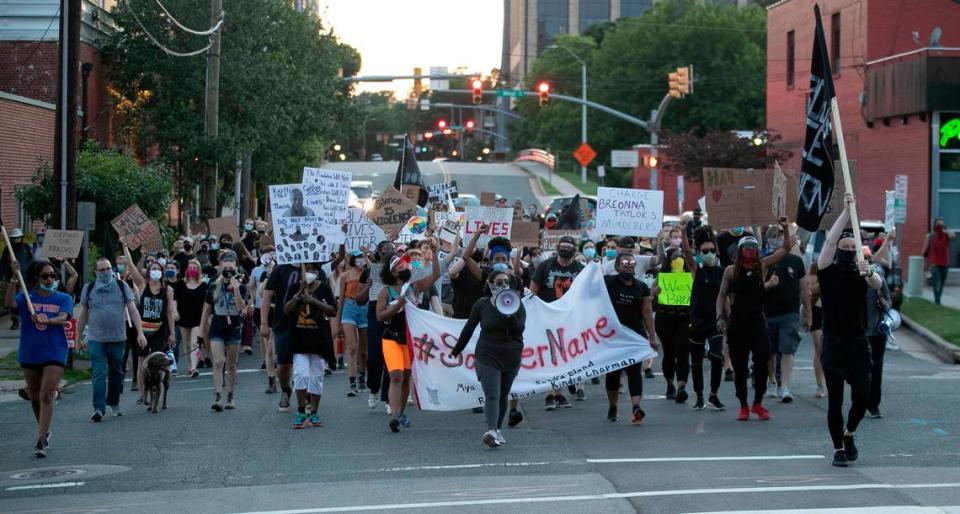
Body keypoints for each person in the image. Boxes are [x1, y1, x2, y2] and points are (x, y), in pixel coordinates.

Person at [817, 193, 883, 467]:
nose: (844, 248)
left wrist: (868, 272)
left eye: (850, 245)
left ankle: (849, 433)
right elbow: (830, 241)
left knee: (862, 397)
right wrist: (846, 212)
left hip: (857, 342)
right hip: (833, 342)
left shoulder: (864, 272)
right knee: (836, 401)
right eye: (843, 246)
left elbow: (878, 284)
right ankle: (837, 449)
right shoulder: (826, 271)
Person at [716, 218, 791, 422]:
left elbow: (785, 249)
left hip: (758, 321)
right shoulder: (731, 271)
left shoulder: (763, 265)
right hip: (737, 323)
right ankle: (743, 405)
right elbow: (722, 296)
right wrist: (720, 317)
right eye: (746, 247)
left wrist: (785, 229)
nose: (750, 251)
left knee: (761, 362)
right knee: (740, 368)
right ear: (740, 250)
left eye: (753, 247)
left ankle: (757, 403)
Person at [5, 259, 73, 457]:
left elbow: (63, 317)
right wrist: (13, 277)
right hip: (30, 351)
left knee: (46, 393)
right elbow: (9, 303)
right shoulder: (27, 297)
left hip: (55, 351)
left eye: (53, 275)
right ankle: (44, 429)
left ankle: (40, 439)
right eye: (45, 276)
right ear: (36, 278)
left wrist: (47, 320)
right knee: (35, 397)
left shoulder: (63, 298)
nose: (49, 279)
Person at [452, 269, 526, 448]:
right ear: (490, 284)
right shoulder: (481, 304)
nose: (502, 286)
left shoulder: (517, 305)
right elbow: (469, 328)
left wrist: (508, 313)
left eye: (506, 282)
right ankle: (491, 430)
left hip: (511, 354)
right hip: (487, 354)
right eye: (498, 282)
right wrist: (457, 349)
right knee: (492, 393)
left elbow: (519, 330)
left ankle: (497, 429)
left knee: (503, 394)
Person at [377, 251, 441, 433]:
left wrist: (435, 252)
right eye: (400, 265)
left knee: (406, 378)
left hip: (409, 339)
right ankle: (394, 416)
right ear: (392, 272)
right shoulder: (385, 292)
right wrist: (398, 305)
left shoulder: (414, 287)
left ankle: (400, 412)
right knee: (395, 376)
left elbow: (436, 274)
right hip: (391, 338)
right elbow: (380, 316)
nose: (404, 267)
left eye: (406, 264)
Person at [76, 257, 146, 421]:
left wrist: (140, 332)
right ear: (96, 272)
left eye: (108, 268)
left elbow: (133, 310)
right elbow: (83, 314)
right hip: (96, 338)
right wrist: (78, 338)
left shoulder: (122, 286)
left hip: (117, 338)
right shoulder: (90, 288)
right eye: (102, 269)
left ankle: (114, 401)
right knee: (99, 373)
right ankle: (98, 408)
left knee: (116, 372)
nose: (106, 272)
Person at [603, 252, 660, 423]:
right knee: (613, 374)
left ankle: (636, 407)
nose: (628, 265)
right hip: (613, 337)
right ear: (617, 266)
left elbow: (647, 312)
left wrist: (652, 337)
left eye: (631, 262)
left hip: (635, 336)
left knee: (634, 371)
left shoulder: (641, 286)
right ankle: (613, 406)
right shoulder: (608, 282)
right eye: (624, 262)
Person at [530, 235, 584, 410]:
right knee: (550, 356)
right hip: (547, 318)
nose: (566, 248)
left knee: (563, 356)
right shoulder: (546, 266)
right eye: (564, 245)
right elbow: (533, 292)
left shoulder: (580, 269)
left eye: (570, 246)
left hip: (570, 320)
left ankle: (558, 393)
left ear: (574, 250)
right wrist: (533, 314)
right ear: (558, 248)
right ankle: (549, 394)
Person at [284, 262, 337, 428]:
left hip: (319, 341)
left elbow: (332, 310)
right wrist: (298, 296)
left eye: (314, 270)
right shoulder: (295, 287)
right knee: (301, 375)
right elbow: (286, 310)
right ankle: (301, 410)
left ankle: (313, 411)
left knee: (316, 378)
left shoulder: (324, 288)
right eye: (307, 270)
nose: (310, 273)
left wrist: (313, 301)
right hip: (299, 340)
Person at [762, 225, 810, 404]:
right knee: (770, 352)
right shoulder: (765, 261)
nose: (778, 239)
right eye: (774, 237)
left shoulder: (796, 262)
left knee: (787, 349)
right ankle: (772, 381)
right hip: (768, 313)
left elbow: (804, 288)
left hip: (790, 313)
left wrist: (808, 313)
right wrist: (768, 285)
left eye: (781, 236)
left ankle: (785, 386)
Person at [200, 253, 248, 411]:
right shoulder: (214, 284)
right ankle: (218, 395)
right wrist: (201, 332)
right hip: (217, 326)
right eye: (225, 267)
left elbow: (242, 308)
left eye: (231, 267)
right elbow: (206, 309)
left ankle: (231, 395)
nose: (228, 269)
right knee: (219, 361)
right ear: (220, 267)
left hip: (233, 327)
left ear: (235, 268)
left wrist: (235, 289)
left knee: (232, 364)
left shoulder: (240, 285)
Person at [686, 225, 727, 411]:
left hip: (715, 321)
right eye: (705, 251)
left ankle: (714, 394)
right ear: (699, 253)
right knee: (696, 361)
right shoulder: (697, 270)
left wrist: (728, 319)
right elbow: (687, 252)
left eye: (711, 250)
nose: (709, 253)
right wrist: (683, 232)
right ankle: (699, 395)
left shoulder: (723, 272)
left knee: (717, 356)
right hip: (697, 322)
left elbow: (726, 297)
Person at [654, 231, 695, 403]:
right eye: (674, 257)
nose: (677, 259)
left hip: (684, 319)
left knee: (683, 352)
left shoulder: (691, 276)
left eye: (680, 257)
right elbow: (653, 302)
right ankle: (670, 384)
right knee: (669, 353)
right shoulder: (661, 278)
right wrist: (655, 294)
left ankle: (682, 386)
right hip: (665, 319)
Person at [135, 261, 176, 404]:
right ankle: (142, 392)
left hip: (160, 328)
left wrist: (172, 333)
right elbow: (134, 269)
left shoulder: (167, 290)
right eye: (153, 269)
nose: (156, 271)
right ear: (149, 271)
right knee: (142, 360)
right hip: (143, 329)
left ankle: (156, 389)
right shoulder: (142, 285)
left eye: (159, 269)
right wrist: (126, 248)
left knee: (157, 360)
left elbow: (170, 312)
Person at [862, 246, 892, 419]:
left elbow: (888, 301)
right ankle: (860, 398)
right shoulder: (852, 276)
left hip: (877, 330)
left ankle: (873, 405)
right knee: (860, 369)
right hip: (858, 330)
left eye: (868, 258)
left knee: (876, 368)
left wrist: (884, 303)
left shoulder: (878, 275)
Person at [339, 250, 370, 396]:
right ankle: (352, 382)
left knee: (363, 350)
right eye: (357, 258)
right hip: (349, 307)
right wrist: (339, 319)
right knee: (351, 347)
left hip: (364, 308)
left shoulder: (368, 273)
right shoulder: (345, 276)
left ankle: (362, 377)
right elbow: (341, 298)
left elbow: (375, 269)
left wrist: (367, 256)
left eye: (361, 257)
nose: (360, 260)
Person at [173, 259, 206, 378]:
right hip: (184, 317)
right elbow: (175, 299)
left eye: (195, 267)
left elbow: (207, 303)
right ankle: (189, 365)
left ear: (198, 270)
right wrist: (175, 311)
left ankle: (194, 367)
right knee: (186, 343)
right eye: (190, 267)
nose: (192, 270)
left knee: (196, 342)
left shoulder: (203, 285)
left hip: (198, 317)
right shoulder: (181, 284)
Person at [0, 228, 34, 330]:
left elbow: (31, 261)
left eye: (18, 239)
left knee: (25, 300)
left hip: (25, 279)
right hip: (12, 279)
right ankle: (15, 321)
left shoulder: (27, 248)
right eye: (14, 239)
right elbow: (3, 265)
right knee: (12, 302)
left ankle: (27, 319)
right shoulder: (8, 250)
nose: (16, 241)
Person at [922, 217, 955, 305]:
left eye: (941, 224)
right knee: (936, 282)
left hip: (945, 262)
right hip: (934, 263)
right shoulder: (930, 236)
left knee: (942, 282)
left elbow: (953, 236)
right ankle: (937, 301)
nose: (940, 226)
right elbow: (924, 251)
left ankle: (938, 298)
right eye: (938, 224)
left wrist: (945, 230)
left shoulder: (946, 235)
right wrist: (925, 264)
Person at [806, 263, 827, 399]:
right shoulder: (817, 266)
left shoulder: (845, 264)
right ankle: (821, 385)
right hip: (818, 310)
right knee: (819, 349)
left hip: (836, 311)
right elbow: (809, 290)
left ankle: (831, 381)